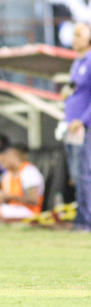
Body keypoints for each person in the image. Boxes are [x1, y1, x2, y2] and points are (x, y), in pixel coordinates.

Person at [61, 22, 91, 232]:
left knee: (84, 174)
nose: (75, 38)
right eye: (74, 34)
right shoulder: (76, 62)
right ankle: (81, 218)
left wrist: (84, 119)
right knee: (76, 174)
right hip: (72, 128)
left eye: (79, 34)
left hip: (83, 128)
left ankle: (86, 221)